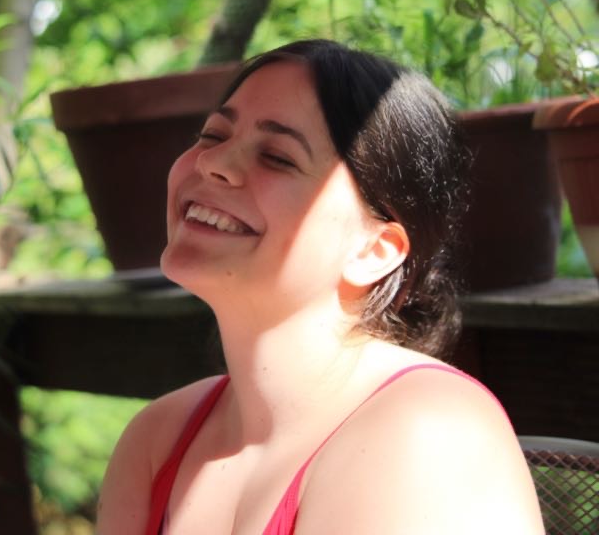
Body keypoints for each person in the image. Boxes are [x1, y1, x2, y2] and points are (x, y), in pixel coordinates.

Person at [97, 39, 544, 534]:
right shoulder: (159, 438)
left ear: (374, 251)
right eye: (212, 134)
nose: (212, 162)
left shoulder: (424, 428)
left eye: (277, 157)